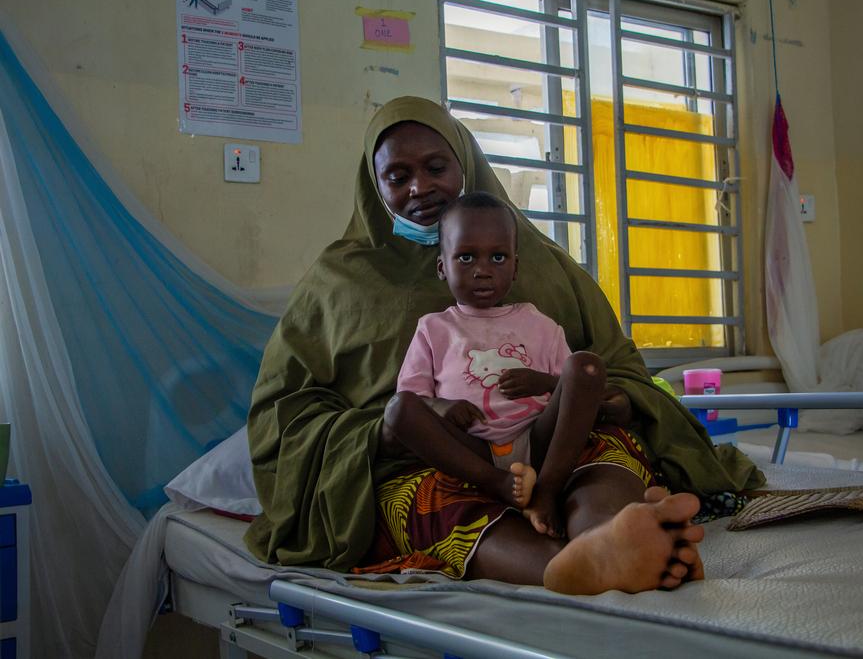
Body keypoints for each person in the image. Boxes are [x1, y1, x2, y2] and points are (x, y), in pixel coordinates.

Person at [245, 96, 764, 595]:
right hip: (429, 460)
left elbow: (616, 364)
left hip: (553, 440)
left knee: (603, 454)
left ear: (464, 164)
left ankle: (614, 531)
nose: (420, 188)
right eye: (398, 177)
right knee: (433, 502)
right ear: (373, 184)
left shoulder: (541, 261)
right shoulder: (338, 282)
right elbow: (283, 412)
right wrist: (380, 434)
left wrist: (600, 401)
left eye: (436, 168)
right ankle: (575, 564)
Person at [392, 191, 628, 538]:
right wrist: (441, 407)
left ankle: (546, 491)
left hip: (539, 438)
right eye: (467, 257)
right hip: (472, 448)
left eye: (498, 257)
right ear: (443, 267)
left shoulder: (540, 324)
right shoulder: (434, 328)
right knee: (398, 411)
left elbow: (577, 391)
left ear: (515, 267)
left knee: (586, 366)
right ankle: (501, 484)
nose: (483, 271)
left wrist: (544, 382)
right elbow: (412, 396)